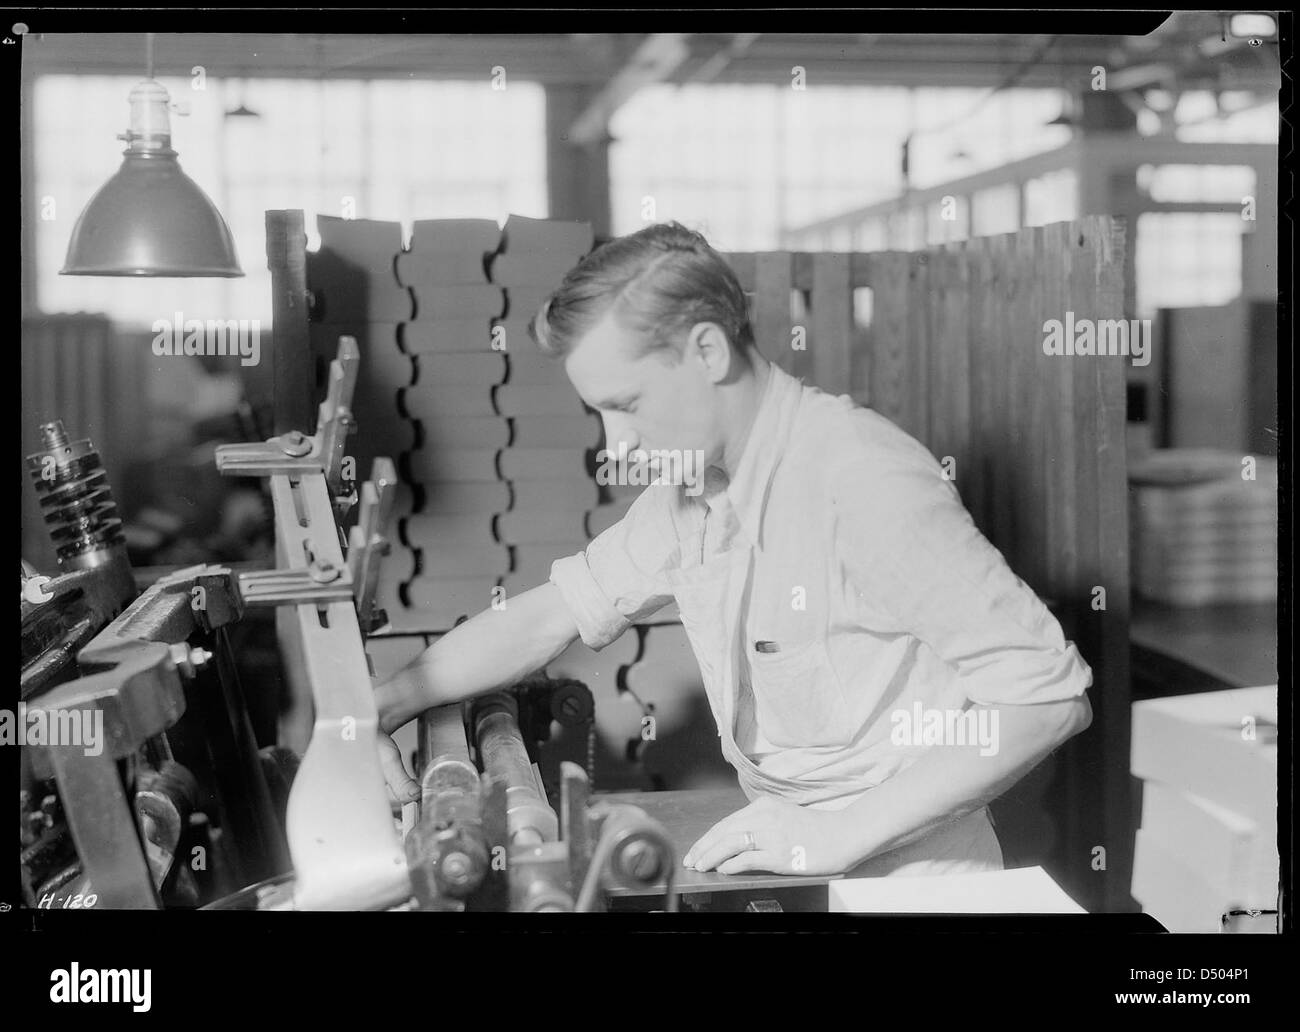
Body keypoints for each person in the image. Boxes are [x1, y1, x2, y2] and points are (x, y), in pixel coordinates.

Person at [374, 221, 1093, 879]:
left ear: (708, 350)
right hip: (793, 853)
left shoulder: (860, 478)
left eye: (625, 404)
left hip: (909, 875)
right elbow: (550, 615)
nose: (613, 443)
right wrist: (382, 705)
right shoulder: (692, 493)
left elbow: (1047, 700)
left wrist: (839, 835)